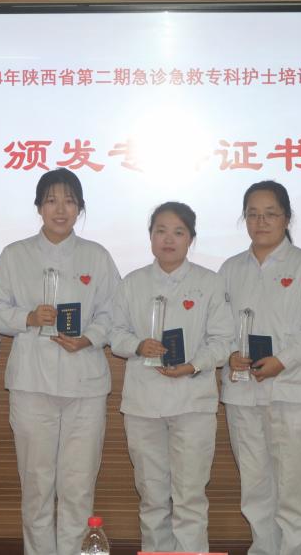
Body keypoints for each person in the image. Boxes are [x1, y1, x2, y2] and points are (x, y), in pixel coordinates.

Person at [0, 168, 120, 555]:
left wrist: (89, 337)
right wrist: (27, 317)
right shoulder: (15, 255)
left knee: (79, 485)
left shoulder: (97, 256)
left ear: (80, 208)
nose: (61, 209)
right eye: (51, 200)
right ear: (39, 207)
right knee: (37, 485)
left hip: (85, 385)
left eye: (69, 201)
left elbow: (114, 313)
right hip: (32, 384)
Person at [110, 202, 233, 552]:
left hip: (193, 402)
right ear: (150, 236)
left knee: (190, 495)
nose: (168, 239)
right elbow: (115, 334)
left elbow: (223, 341)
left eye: (178, 232)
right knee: (151, 495)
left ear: (191, 239)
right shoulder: (132, 283)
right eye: (160, 231)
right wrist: (138, 345)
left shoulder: (209, 283)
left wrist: (193, 365)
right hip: (143, 404)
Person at [219, 180, 301, 555]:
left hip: (293, 394)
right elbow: (218, 328)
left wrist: (282, 360)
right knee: (255, 491)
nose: (261, 221)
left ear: (287, 217)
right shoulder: (230, 269)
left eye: (270, 213)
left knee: (294, 493)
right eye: (252, 214)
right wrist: (229, 354)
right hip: (243, 393)